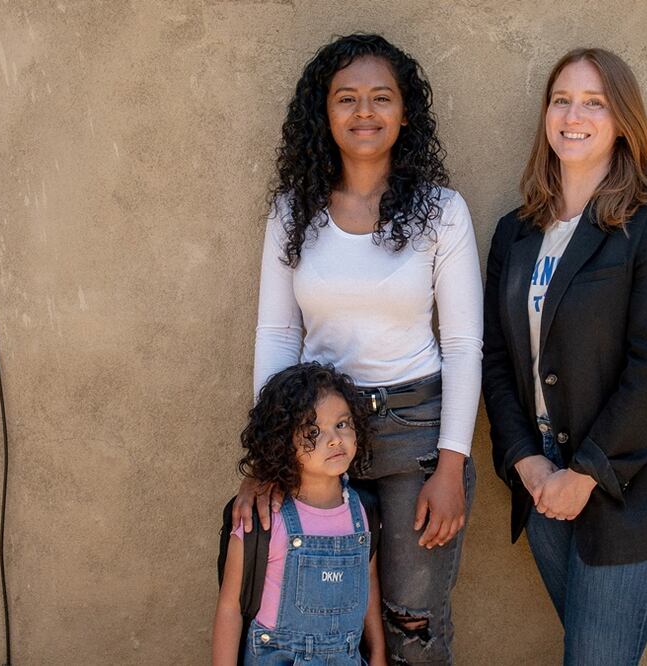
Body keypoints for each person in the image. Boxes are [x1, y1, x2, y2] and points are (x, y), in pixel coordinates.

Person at [234, 34, 482, 665]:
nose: (364, 112)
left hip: (416, 436)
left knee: (412, 621)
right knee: (325, 617)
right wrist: (269, 456)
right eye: (346, 98)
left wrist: (451, 467)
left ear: (405, 113)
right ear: (324, 113)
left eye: (381, 98)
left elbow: (462, 345)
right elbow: (277, 335)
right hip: (317, 438)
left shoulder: (441, 212)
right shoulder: (292, 212)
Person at [481, 47, 647, 665]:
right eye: (561, 100)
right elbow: (497, 360)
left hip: (627, 487)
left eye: (595, 103)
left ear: (623, 122)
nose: (573, 116)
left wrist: (583, 474)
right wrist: (526, 462)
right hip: (543, 482)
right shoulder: (515, 233)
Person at [212, 362, 386, 666]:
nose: (335, 439)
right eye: (313, 432)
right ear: (282, 442)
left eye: (342, 424)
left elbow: (368, 581)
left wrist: (378, 652)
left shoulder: (363, 511)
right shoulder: (265, 519)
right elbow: (230, 608)